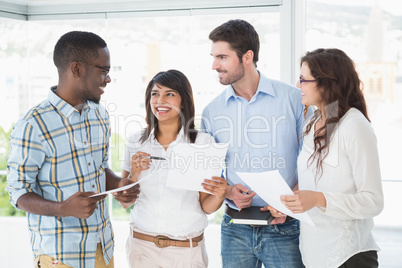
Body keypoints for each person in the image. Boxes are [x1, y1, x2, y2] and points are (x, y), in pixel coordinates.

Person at [6, 31, 140, 268]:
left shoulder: (100, 115)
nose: (108, 79)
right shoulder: (33, 124)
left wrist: (119, 185)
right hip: (60, 257)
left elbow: (99, 169)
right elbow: (17, 192)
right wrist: (63, 209)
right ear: (76, 69)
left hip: (103, 249)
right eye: (104, 71)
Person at [201, 19, 312, 268]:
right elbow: (208, 175)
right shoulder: (212, 111)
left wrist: (290, 200)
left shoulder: (295, 100)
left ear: (247, 56)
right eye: (213, 57)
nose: (214, 65)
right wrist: (229, 191)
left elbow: (313, 161)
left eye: (222, 57)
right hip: (234, 229)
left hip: (285, 226)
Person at [279, 48, 384, 268]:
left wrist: (318, 199)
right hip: (315, 255)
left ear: (326, 83)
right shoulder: (314, 121)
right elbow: (316, 183)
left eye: (303, 79)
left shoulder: (354, 126)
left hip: (349, 257)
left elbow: (373, 201)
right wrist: (291, 202)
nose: (298, 85)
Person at [120, 69, 227, 268]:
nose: (160, 100)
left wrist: (220, 194)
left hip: (187, 252)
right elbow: (125, 202)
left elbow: (206, 206)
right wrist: (134, 174)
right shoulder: (136, 142)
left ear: (184, 101)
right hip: (142, 249)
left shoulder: (203, 143)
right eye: (155, 94)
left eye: (169, 94)